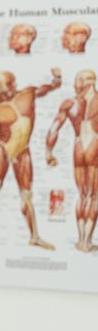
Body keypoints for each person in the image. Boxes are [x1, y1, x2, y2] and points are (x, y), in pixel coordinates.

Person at [0, 68, 63, 252]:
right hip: (4, 150)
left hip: (23, 151)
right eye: (1, 89)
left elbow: (50, 88)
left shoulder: (28, 94)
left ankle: (34, 236)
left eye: (7, 86)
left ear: (14, 82)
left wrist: (57, 78)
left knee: (27, 195)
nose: (6, 91)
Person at [47, 69, 98, 252]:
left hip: (78, 147)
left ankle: (80, 240)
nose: (74, 86)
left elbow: (53, 129)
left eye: (77, 81)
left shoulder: (69, 104)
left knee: (82, 195)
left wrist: (48, 152)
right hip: (94, 144)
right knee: (93, 196)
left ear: (87, 82)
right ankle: (87, 241)